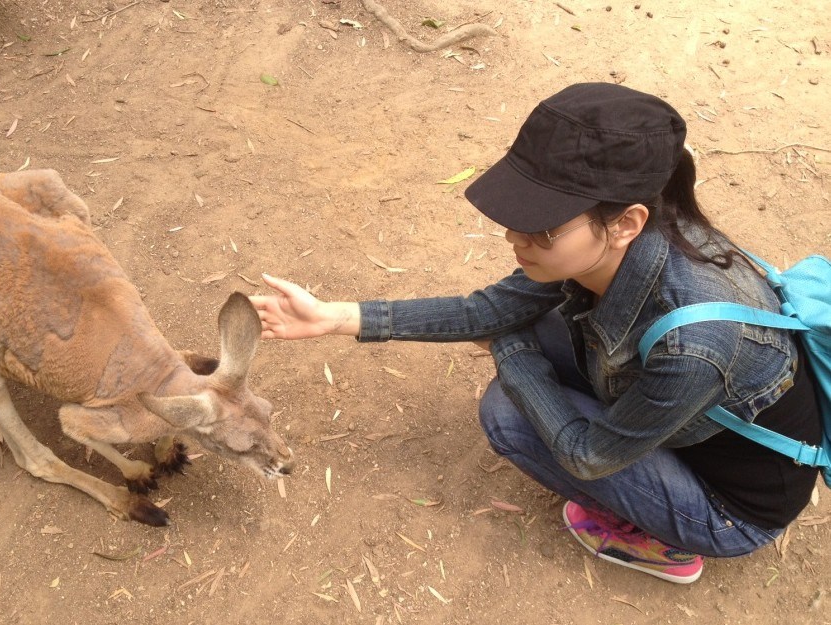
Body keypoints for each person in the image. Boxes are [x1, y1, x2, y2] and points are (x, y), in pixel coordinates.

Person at [248, 83, 821, 584]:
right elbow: (488, 310)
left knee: (509, 411)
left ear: (625, 222)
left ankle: (664, 544)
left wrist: (513, 352)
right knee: (531, 326)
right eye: (516, 214)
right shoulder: (628, 236)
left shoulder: (696, 340)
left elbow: (588, 455)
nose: (515, 239)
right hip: (683, 415)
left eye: (541, 226)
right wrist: (333, 317)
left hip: (729, 509)